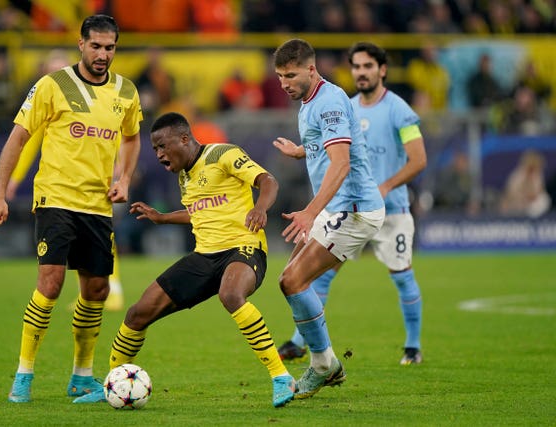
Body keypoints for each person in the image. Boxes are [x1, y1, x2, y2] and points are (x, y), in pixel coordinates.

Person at [73, 112, 296, 407]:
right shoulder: (185, 177)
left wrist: (260, 208)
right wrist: (163, 218)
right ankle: (113, 385)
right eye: (155, 150)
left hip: (244, 248)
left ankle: (281, 377)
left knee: (231, 294)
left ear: (184, 138)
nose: (159, 154)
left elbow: (268, 181)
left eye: (163, 146)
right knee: (138, 313)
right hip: (204, 256)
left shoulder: (222, 153)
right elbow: (199, 212)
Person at [0, 15, 143, 403]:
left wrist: (123, 178)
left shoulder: (126, 91)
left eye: (110, 47)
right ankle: (24, 374)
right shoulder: (52, 86)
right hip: (55, 198)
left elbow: (132, 137)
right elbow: (18, 139)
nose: (103, 54)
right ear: (81, 44)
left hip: (97, 205)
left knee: (97, 289)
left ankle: (82, 376)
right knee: (51, 283)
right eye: (96, 46)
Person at [277, 42, 427, 367]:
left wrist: (386, 185)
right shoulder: (345, 103)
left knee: (401, 275)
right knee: (311, 277)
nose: (360, 72)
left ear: (382, 70)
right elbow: (336, 145)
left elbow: (418, 160)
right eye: (356, 66)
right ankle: (303, 344)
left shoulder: (398, 109)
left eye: (367, 66)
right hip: (344, 203)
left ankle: (412, 346)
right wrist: (303, 151)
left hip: (381, 205)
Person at [271, 39, 385, 399]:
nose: (284, 83)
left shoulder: (330, 101)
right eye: (279, 76)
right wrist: (302, 150)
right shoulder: (309, 101)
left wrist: (310, 211)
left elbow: (342, 163)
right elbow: (328, 144)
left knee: (293, 280)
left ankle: (324, 365)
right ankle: (323, 360)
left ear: (310, 69)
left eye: (290, 75)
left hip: (353, 209)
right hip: (337, 208)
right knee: (291, 281)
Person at [5, 48, 126, 312]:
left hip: (94, 179)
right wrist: (13, 179)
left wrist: (120, 169)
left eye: (60, 70)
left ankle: (113, 289)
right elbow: (29, 142)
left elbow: (109, 132)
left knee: (102, 237)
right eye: (52, 71)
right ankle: (98, 291)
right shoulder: (47, 101)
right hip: (63, 188)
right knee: (75, 242)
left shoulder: (92, 97)